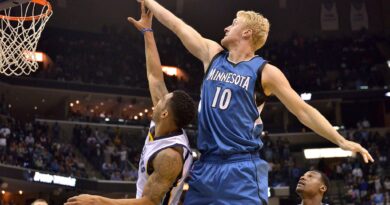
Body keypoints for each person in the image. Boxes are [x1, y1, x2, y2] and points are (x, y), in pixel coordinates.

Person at [140, 0, 375, 204]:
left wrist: (341, 140)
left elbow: (302, 111)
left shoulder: (265, 72)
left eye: (233, 23)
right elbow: (177, 25)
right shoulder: (212, 54)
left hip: (241, 168)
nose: (226, 26)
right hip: (205, 166)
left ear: (247, 33)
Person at [64, 2, 196, 205]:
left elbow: (149, 202)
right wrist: (148, 31)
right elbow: (155, 76)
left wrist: (97, 201)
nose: (159, 101)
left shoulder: (170, 156)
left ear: (165, 114)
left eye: (164, 101)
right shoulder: (164, 123)